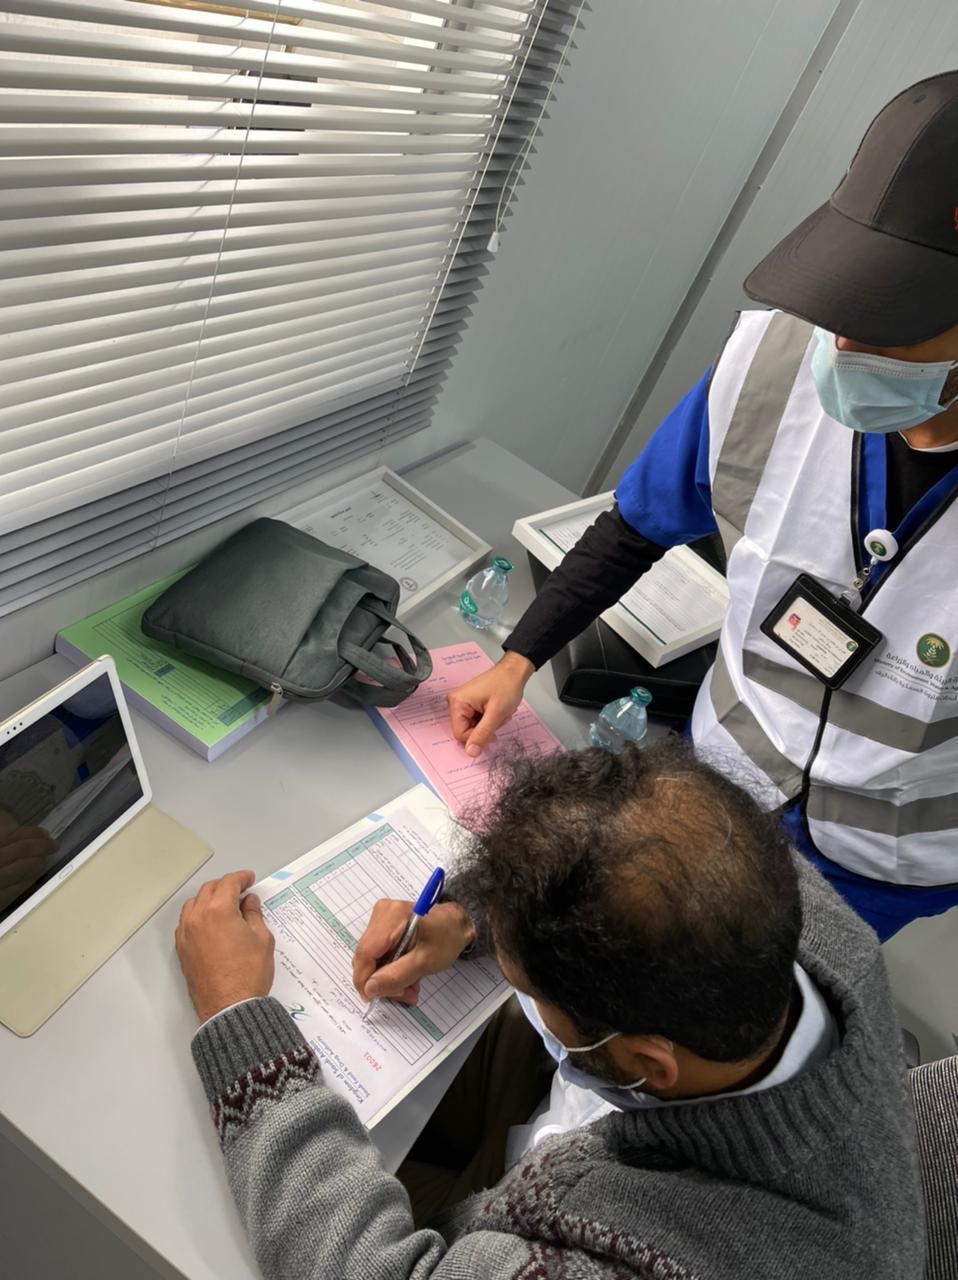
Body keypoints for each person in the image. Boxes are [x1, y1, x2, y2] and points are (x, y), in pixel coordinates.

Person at [448, 71, 958, 943]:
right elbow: (633, 527)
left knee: (775, 1007)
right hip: (719, 786)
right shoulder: (773, 367)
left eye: (891, 318)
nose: (843, 344)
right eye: (843, 298)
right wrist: (519, 657)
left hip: (880, 864)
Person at [176, 740, 925, 1279]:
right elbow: (614, 858)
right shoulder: (778, 897)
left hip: (512, 1218)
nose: (523, 994)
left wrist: (238, 1017)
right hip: (552, 1141)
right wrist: (471, 919)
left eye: (529, 990)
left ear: (646, 1061)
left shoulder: (659, 1257)